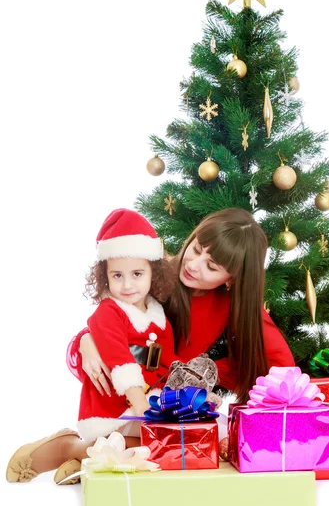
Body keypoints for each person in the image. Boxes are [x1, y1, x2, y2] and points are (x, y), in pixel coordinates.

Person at [6, 207, 295, 485]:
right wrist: (86, 340)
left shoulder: (236, 304)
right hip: (129, 392)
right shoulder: (154, 274)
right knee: (165, 444)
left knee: (186, 447)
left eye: (211, 266)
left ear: (232, 280)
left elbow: (280, 362)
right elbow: (113, 321)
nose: (193, 266)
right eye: (195, 249)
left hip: (170, 400)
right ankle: (68, 447)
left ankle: (90, 455)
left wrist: (208, 373)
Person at [6, 208, 176, 484]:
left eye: (136, 273)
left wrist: (166, 396)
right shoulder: (108, 311)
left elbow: (167, 360)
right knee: (125, 445)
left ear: (153, 273)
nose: (128, 284)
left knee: (146, 448)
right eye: (117, 275)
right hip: (112, 401)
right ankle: (65, 447)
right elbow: (118, 357)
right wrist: (141, 402)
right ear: (104, 276)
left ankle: (82, 460)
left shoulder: (158, 318)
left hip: (146, 403)